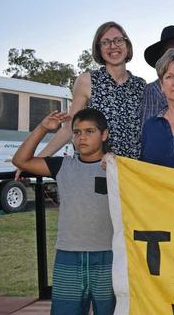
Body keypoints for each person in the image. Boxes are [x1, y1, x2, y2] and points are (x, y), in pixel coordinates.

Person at [12, 108, 115, 315]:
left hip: (109, 256)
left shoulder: (117, 166)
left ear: (104, 134)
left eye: (89, 131)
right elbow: (21, 161)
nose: (82, 137)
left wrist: (114, 161)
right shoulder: (62, 166)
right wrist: (43, 128)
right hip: (69, 255)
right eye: (77, 132)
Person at [31, 21, 146, 160]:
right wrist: (36, 160)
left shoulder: (140, 85)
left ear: (127, 45)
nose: (113, 46)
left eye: (119, 40)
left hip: (130, 170)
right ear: (99, 49)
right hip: (93, 170)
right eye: (105, 42)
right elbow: (69, 128)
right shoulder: (87, 81)